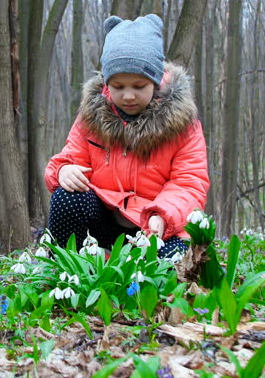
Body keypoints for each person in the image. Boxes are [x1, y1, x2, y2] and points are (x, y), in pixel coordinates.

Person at [44, 14, 209, 259]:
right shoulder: (92, 117)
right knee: (66, 198)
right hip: (105, 222)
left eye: (139, 86)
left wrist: (162, 215)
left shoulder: (184, 125)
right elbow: (70, 159)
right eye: (118, 87)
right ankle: (70, 268)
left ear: (155, 81)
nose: (128, 96)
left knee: (177, 259)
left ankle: (138, 276)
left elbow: (189, 183)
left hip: (155, 226)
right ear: (106, 83)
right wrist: (63, 172)